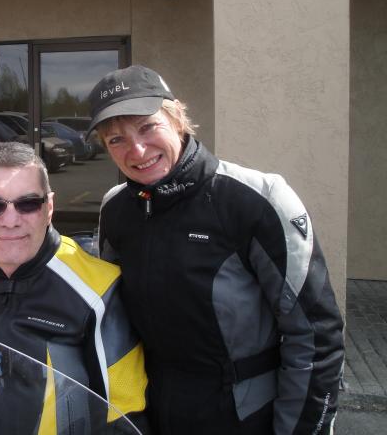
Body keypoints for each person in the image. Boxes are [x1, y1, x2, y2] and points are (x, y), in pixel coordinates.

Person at [87, 65, 344, 435]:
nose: (137, 150)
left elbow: (315, 336)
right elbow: (115, 323)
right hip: (151, 412)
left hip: (246, 417)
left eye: (147, 127)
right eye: (116, 140)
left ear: (177, 119)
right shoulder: (115, 209)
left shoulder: (257, 198)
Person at [0, 141, 149, 434]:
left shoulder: (99, 290)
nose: (10, 221)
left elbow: (125, 415)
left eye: (27, 204)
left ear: (49, 207)